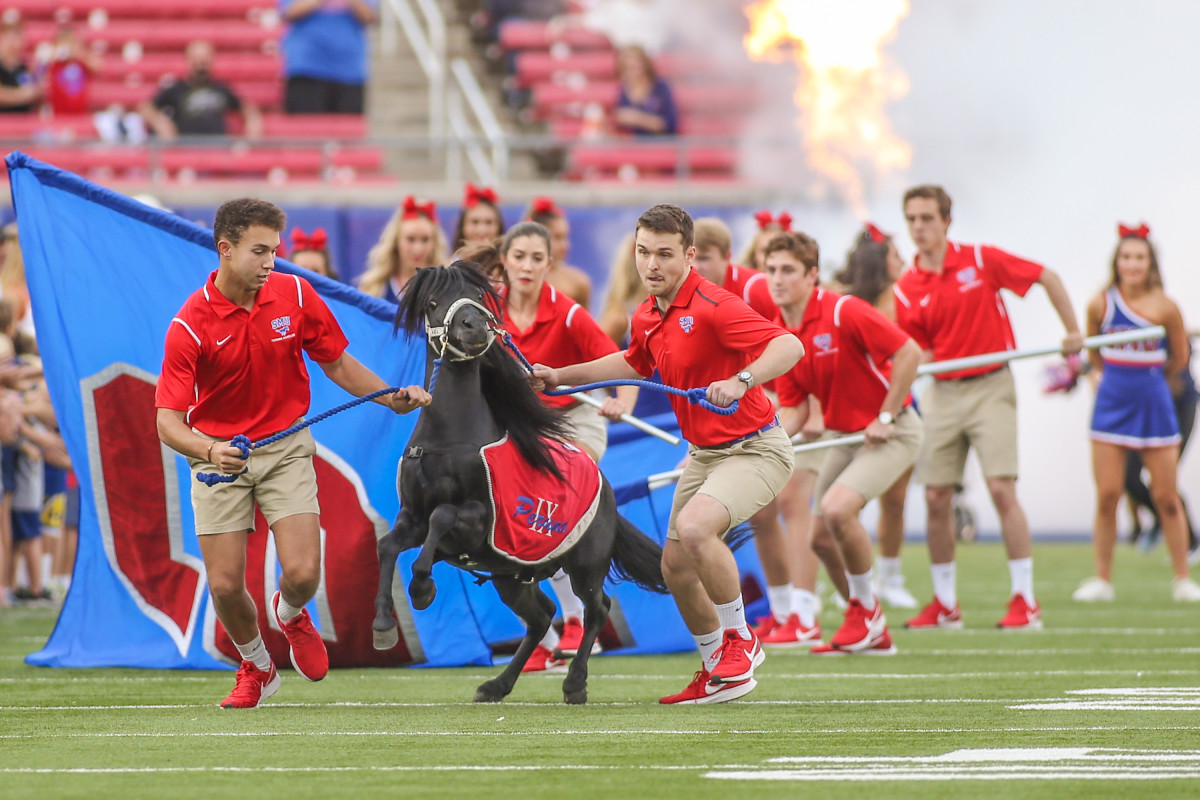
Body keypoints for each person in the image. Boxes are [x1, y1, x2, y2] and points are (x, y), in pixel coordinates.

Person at [155, 198, 431, 708]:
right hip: (219, 460)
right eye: (259, 252)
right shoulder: (188, 325)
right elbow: (167, 423)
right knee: (224, 585)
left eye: (274, 252)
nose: (270, 262)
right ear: (225, 249)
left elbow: (339, 363)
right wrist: (212, 450)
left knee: (303, 573)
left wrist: (392, 397)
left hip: (284, 449)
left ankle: (290, 612)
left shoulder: (297, 293)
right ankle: (257, 665)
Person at [532, 203, 803, 705]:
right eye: (643, 252)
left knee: (698, 528)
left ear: (690, 256)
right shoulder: (646, 313)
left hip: (757, 449)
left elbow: (789, 346)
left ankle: (740, 640)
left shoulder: (715, 305)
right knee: (674, 566)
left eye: (664, 254)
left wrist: (741, 379)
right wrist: (559, 375)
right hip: (704, 454)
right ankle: (718, 672)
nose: (651, 264)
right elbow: (630, 362)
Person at [895, 184, 1084, 630]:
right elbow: (922, 351)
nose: (919, 227)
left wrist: (1072, 332)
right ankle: (944, 604)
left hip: (991, 385)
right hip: (942, 392)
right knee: (937, 496)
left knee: (1002, 489)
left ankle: (1024, 600)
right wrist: (920, 359)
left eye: (927, 218)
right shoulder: (906, 287)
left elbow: (1047, 277)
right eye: (912, 219)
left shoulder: (981, 259)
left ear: (946, 221)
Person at [492, 221, 639, 672]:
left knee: (552, 501)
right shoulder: (486, 310)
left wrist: (619, 401)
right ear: (504, 262)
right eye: (519, 257)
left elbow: (627, 363)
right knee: (501, 523)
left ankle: (577, 622)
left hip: (575, 420)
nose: (528, 267)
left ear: (549, 265)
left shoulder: (569, 313)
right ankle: (549, 635)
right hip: (522, 430)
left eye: (538, 259)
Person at [767, 231, 922, 655]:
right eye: (771, 270)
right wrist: (757, 438)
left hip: (895, 431)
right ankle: (866, 617)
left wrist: (886, 415)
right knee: (819, 538)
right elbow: (795, 408)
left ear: (812, 275)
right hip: (845, 436)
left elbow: (909, 353)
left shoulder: (843, 310)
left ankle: (867, 615)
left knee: (837, 510)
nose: (777, 280)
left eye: (788, 270)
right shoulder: (782, 332)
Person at [1072, 224, 1200, 603]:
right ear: (1117, 262)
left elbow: (1179, 357)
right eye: (1125, 257)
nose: (1132, 264)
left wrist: (1147, 380)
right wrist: (1115, 378)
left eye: (1139, 257)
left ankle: (1182, 579)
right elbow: (1095, 354)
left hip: (1155, 404)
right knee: (1108, 494)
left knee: (1165, 496)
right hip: (1111, 405)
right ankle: (1102, 580)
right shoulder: (1099, 303)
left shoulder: (1166, 306)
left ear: (1150, 263)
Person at [831, 222, 919, 609]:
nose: (904, 262)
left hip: (898, 405)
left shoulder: (905, 301)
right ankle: (856, 582)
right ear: (879, 263)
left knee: (895, 497)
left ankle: (891, 574)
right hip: (853, 412)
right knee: (845, 503)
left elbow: (917, 350)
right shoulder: (847, 304)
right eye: (897, 255)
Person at [139, 41, 263, 139]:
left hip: (217, 148)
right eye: (196, 62)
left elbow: (246, 107)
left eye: (204, 62)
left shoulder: (221, 89)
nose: (200, 68)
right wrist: (160, 123)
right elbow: (146, 107)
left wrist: (252, 122)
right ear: (188, 61)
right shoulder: (176, 89)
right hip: (186, 148)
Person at [280, 0, 376, 114]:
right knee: (305, 129)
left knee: (347, 129)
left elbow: (369, 15)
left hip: (349, 71)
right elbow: (289, 12)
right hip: (306, 68)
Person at [358, 196, 447, 303]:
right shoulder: (375, 288)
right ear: (396, 241)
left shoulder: (445, 287)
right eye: (410, 239)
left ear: (435, 243)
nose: (418, 249)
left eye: (425, 239)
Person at [525, 197, 591, 309]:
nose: (565, 245)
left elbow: (585, 324)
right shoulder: (520, 277)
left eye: (565, 237)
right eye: (557, 237)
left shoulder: (578, 282)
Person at [613, 45, 678, 136]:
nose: (629, 73)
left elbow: (670, 124)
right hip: (634, 147)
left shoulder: (660, 88)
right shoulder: (624, 90)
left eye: (633, 67)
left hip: (661, 145)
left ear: (645, 66)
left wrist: (637, 118)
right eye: (625, 68)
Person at [42, 25, 100, 117]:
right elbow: (42, 67)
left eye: (72, 42)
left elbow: (98, 66)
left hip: (80, 114)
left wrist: (79, 54)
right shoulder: (55, 64)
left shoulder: (81, 64)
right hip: (58, 115)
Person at [0, 21, 39, 113]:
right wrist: (23, 95)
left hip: (25, 121)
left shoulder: (24, 69)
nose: (13, 42)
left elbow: (35, 94)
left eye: (17, 36)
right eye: (9, 36)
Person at [451, 184, 506, 250]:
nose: (481, 230)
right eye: (475, 222)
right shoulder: (451, 260)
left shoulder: (510, 260)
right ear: (462, 226)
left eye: (489, 222)